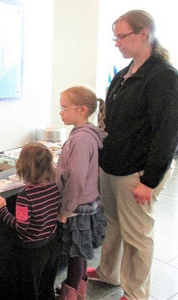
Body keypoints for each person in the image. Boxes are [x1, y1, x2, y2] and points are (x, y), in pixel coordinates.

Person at [87, 10, 178, 300]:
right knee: (113, 224)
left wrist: (149, 181)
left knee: (137, 235)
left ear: (143, 34)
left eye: (121, 36)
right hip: (114, 165)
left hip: (137, 172)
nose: (116, 43)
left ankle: (136, 293)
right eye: (115, 37)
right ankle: (107, 273)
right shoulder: (126, 73)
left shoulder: (163, 76)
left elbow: (167, 133)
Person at [56, 86, 107, 299]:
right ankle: (77, 288)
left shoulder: (80, 139)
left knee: (75, 253)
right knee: (82, 249)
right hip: (86, 201)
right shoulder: (84, 134)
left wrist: (65, 210)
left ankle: (71, 292)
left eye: (64, 108)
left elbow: (76, 179)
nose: (60, 112)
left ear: (81, 110)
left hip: (77, 206)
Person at [0, 142, 62, 300]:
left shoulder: (25, 197)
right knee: (46, 285)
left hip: (32, 251)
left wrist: (2, 209)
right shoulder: (54, 186)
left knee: (29, 288)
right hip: (51, 244)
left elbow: (21, 227)